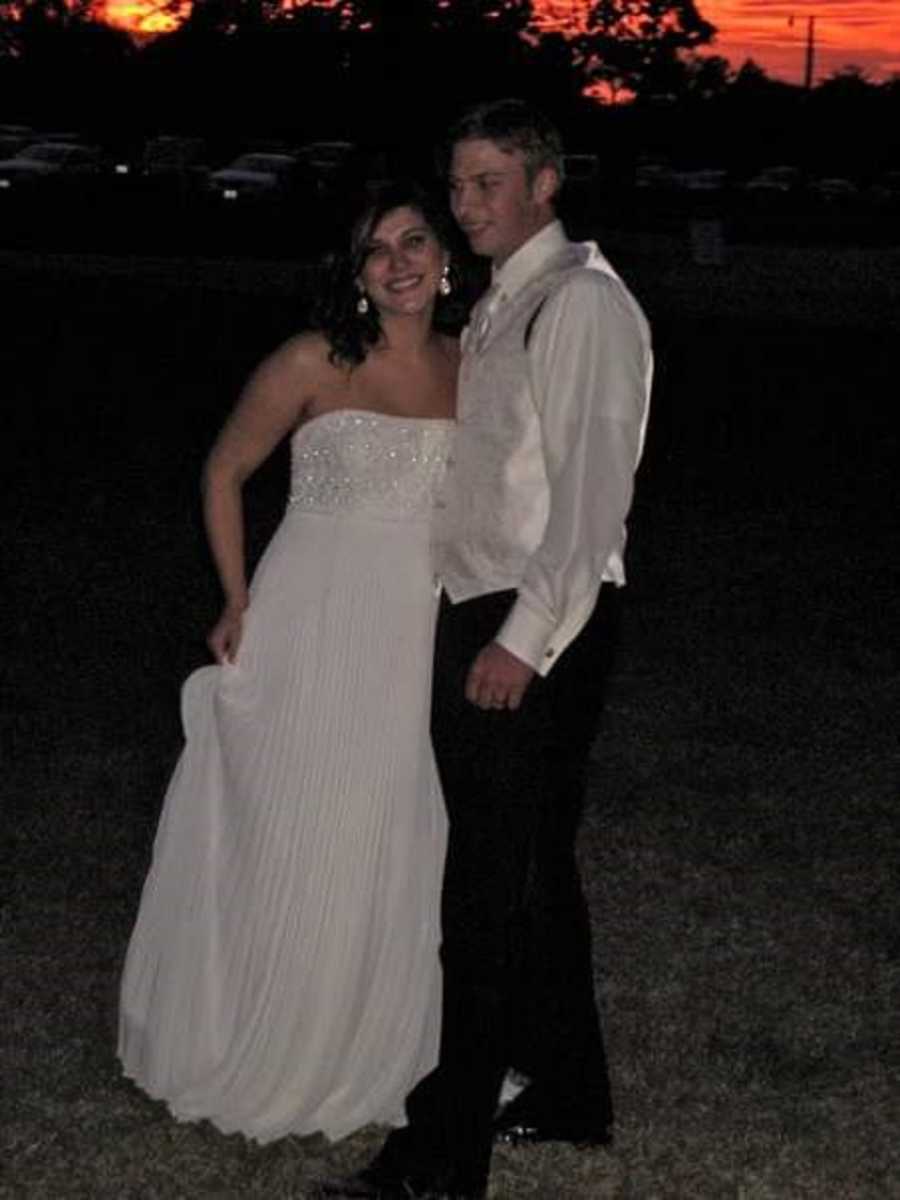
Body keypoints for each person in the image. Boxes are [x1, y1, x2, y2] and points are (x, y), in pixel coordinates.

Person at [325, 100, 652, 1199]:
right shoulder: (509, 297)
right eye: (456, 186)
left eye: (487, 184)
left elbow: (589, 507)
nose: (465, 206)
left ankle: (439, 1155)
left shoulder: (584, 305)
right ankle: (568, 1094)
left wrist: (520, 641)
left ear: (545, 182)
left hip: (537, 618)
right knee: (533, 873)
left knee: (485, 895)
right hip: (487, 604)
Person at [118, 181, 462, 1144]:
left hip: (412, 628)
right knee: (295, 816)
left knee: (385, 820)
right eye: (374, 250)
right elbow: (224, 470)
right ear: (353, 277)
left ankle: (370, 1039)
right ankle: (263, 1026)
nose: (397, 261)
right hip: (312, 611)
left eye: (413, 240)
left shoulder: (472, 365)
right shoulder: (314, 358)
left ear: (446, 257)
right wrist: (235, 597)